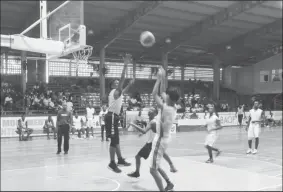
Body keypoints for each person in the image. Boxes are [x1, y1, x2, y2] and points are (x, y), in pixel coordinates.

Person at [148, 67, 179, 191]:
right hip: (164, 138)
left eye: (167, 95)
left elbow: (154, 94)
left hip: (160, 139)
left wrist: (158, 79)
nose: (164, 95)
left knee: (152, 169)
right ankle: (169, 182)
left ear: (170, 98)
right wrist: (163, 78)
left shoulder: (165, 108)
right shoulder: (173, 105)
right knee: (155, 165)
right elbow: (161, 92)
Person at [105, 53, 135, 173]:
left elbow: (123, 90)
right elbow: (122, 80)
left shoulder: (117, 93)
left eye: (118, 83)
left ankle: (120, 159)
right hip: (111, 116)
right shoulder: (114, 91)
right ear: (112, 86)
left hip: (114, 117)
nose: (118, 84)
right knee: (113, 141)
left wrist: (129, 84)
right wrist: (125, 65)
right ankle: (112, 163)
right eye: (116, 83)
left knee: (116, 140)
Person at [127, 107, 177, 179]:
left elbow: (144, 131)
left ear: (155, 113)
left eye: (152, 110)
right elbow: (148, 131)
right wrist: (142, 134)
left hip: (151, 143)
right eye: (149, 109)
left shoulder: (153, 121)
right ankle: (171, 166)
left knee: (140, 157)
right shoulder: (151, 120)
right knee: (162, 153)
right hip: (153, 142)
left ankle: (137, 172)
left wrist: (132, 124)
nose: (149, 111)